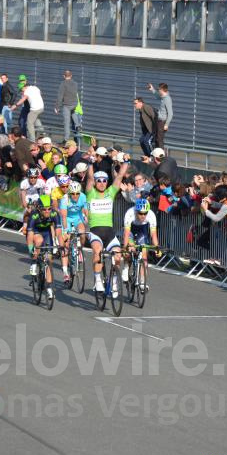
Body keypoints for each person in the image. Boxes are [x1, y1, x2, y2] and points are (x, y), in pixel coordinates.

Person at [85, 160, 128, 293]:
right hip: (95, 232)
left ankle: (114, 280)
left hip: (109, 233)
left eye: (104, 180)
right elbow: (90, 177)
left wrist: (126, 161)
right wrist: (90, 164)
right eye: (99, 181)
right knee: (97, 252)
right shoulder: (90, 193)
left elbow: (120, 176)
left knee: (117, 256)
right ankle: (98, 280)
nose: (102, 183)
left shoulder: (110, 192)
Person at [122, 198, 159, 289]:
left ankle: (142, 282)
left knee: (144, 256)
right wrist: (124, 248)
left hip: (142, 231)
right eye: (140, 213)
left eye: (145, 213)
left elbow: (153, 234)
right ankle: (126, 267)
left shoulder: (151, 215)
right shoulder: (130, 213)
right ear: (136, 211)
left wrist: (157, 248)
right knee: (131, 249)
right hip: (130, 230)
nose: (143, 216)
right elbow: (126, 233)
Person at [55, 70, 79, 143]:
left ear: (64, 76)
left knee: (66, 122)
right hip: (74, 103)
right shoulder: (75, 83)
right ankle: (77, 125)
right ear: (71, 76)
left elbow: (60, 96)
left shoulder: (63, 84)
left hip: (67, 105)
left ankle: (66, 138)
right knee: (73, 112)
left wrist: (57, 107)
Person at [148, 82, 173, 149]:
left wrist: (166, 124)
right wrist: (152, 89)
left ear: (162, 89)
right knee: (156, 139)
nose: (158, 90)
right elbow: (157, 96)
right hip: (159, 121)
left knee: (159, 140)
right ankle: (157, 154)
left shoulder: (167, 99)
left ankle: (161, 157)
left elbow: (170, 113)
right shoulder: (163, 97)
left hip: (162, 122)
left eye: (159, 89)